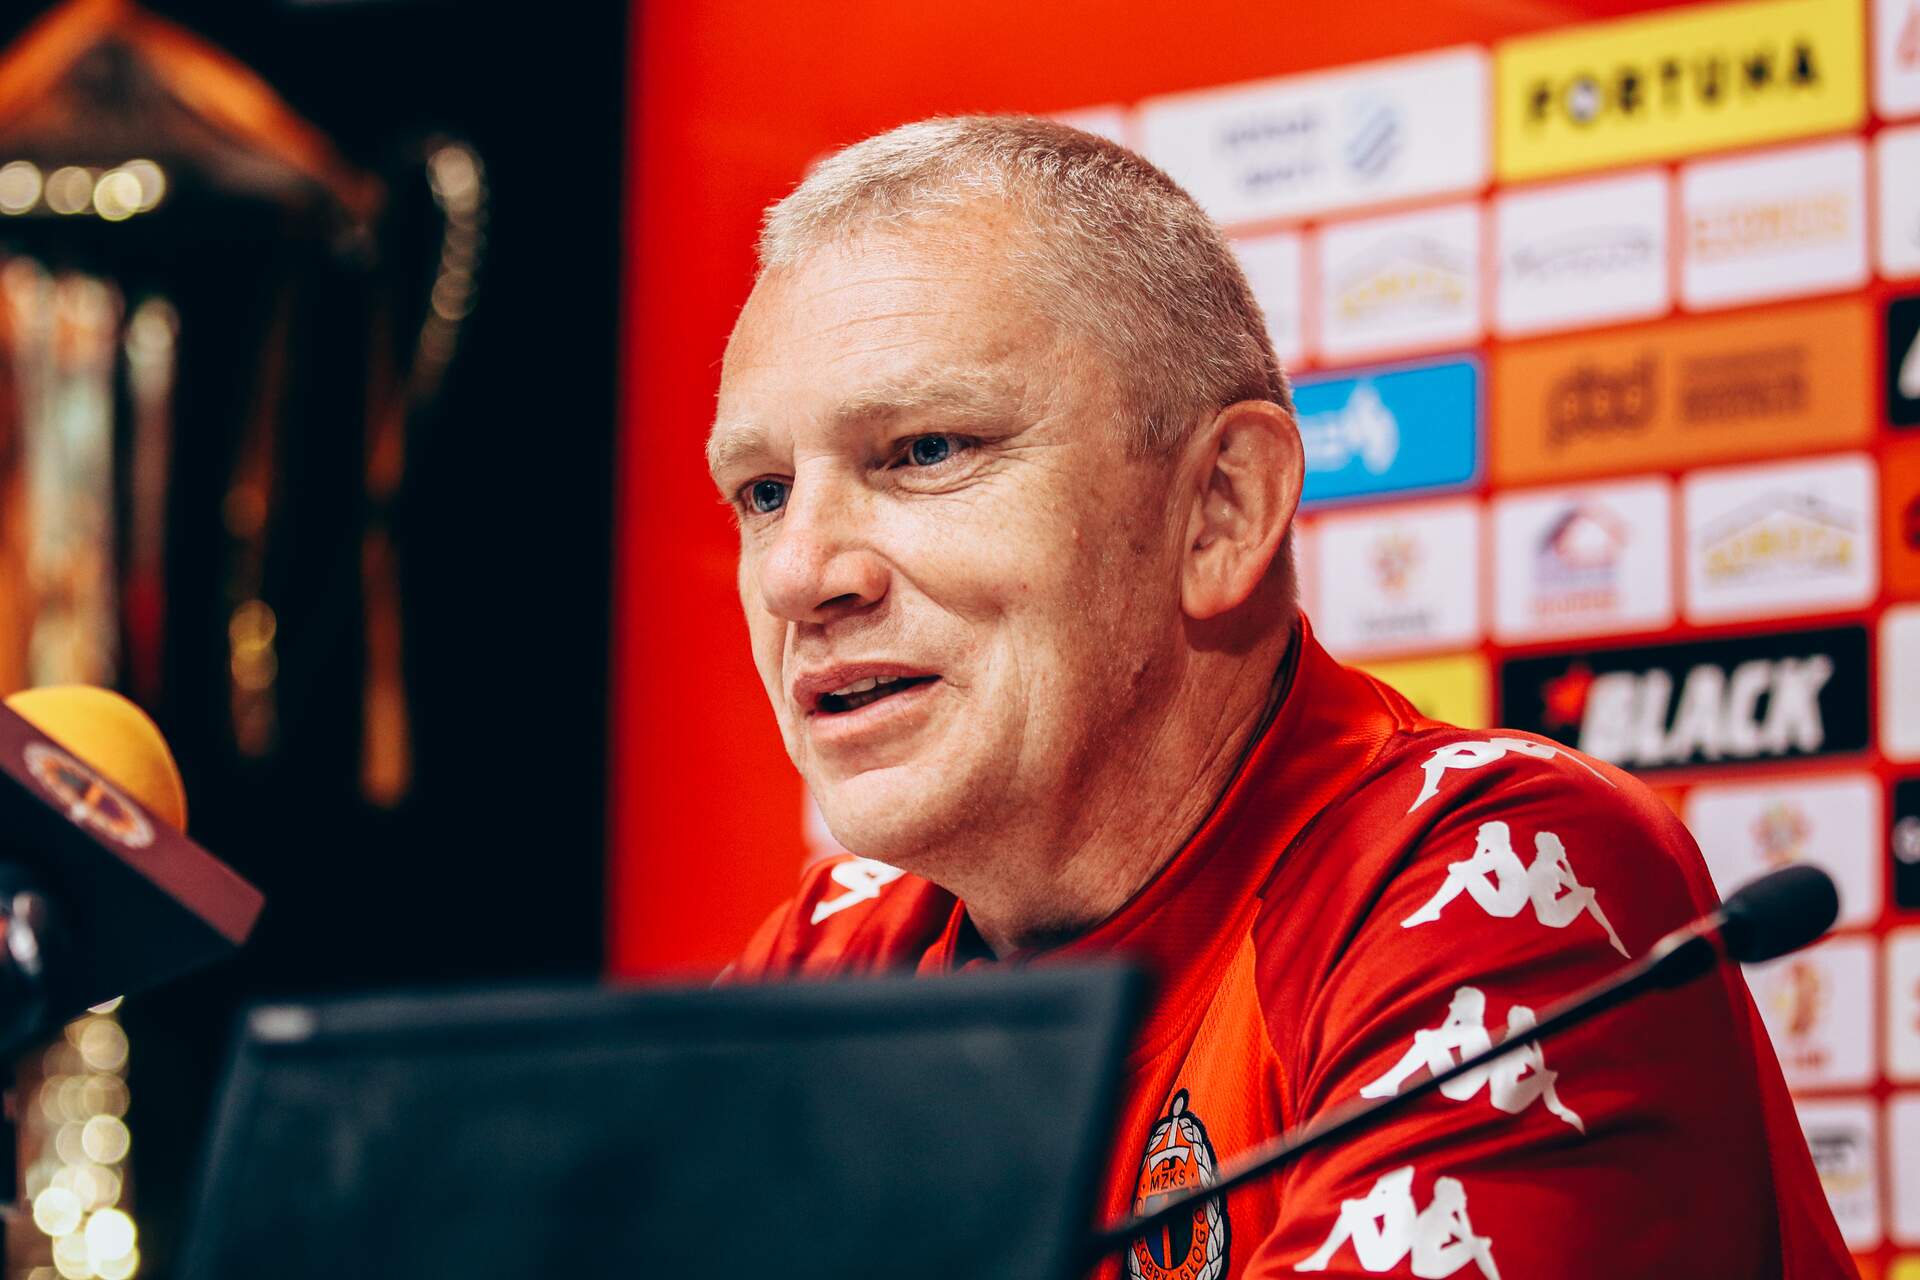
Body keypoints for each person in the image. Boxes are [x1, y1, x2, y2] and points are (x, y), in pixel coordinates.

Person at [707, 116, 1851, 1278]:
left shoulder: (1497, 880)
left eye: (925, 450)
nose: (798, 574)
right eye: (762, 491)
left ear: (1222, 509)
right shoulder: (831, 958)